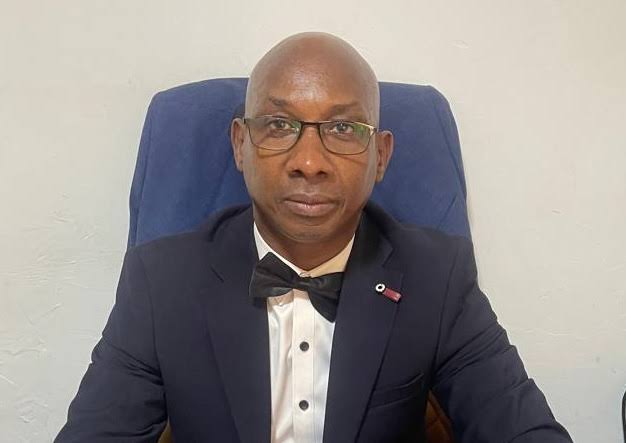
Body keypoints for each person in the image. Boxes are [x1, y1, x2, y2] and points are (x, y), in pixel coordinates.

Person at [56, 32, 572, 442]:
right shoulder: (161, 280)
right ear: (240, 145)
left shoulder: (436, 277)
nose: (308, 162)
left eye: (344, 130)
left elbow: (521, 427)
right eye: (279, 125)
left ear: (381, 157)